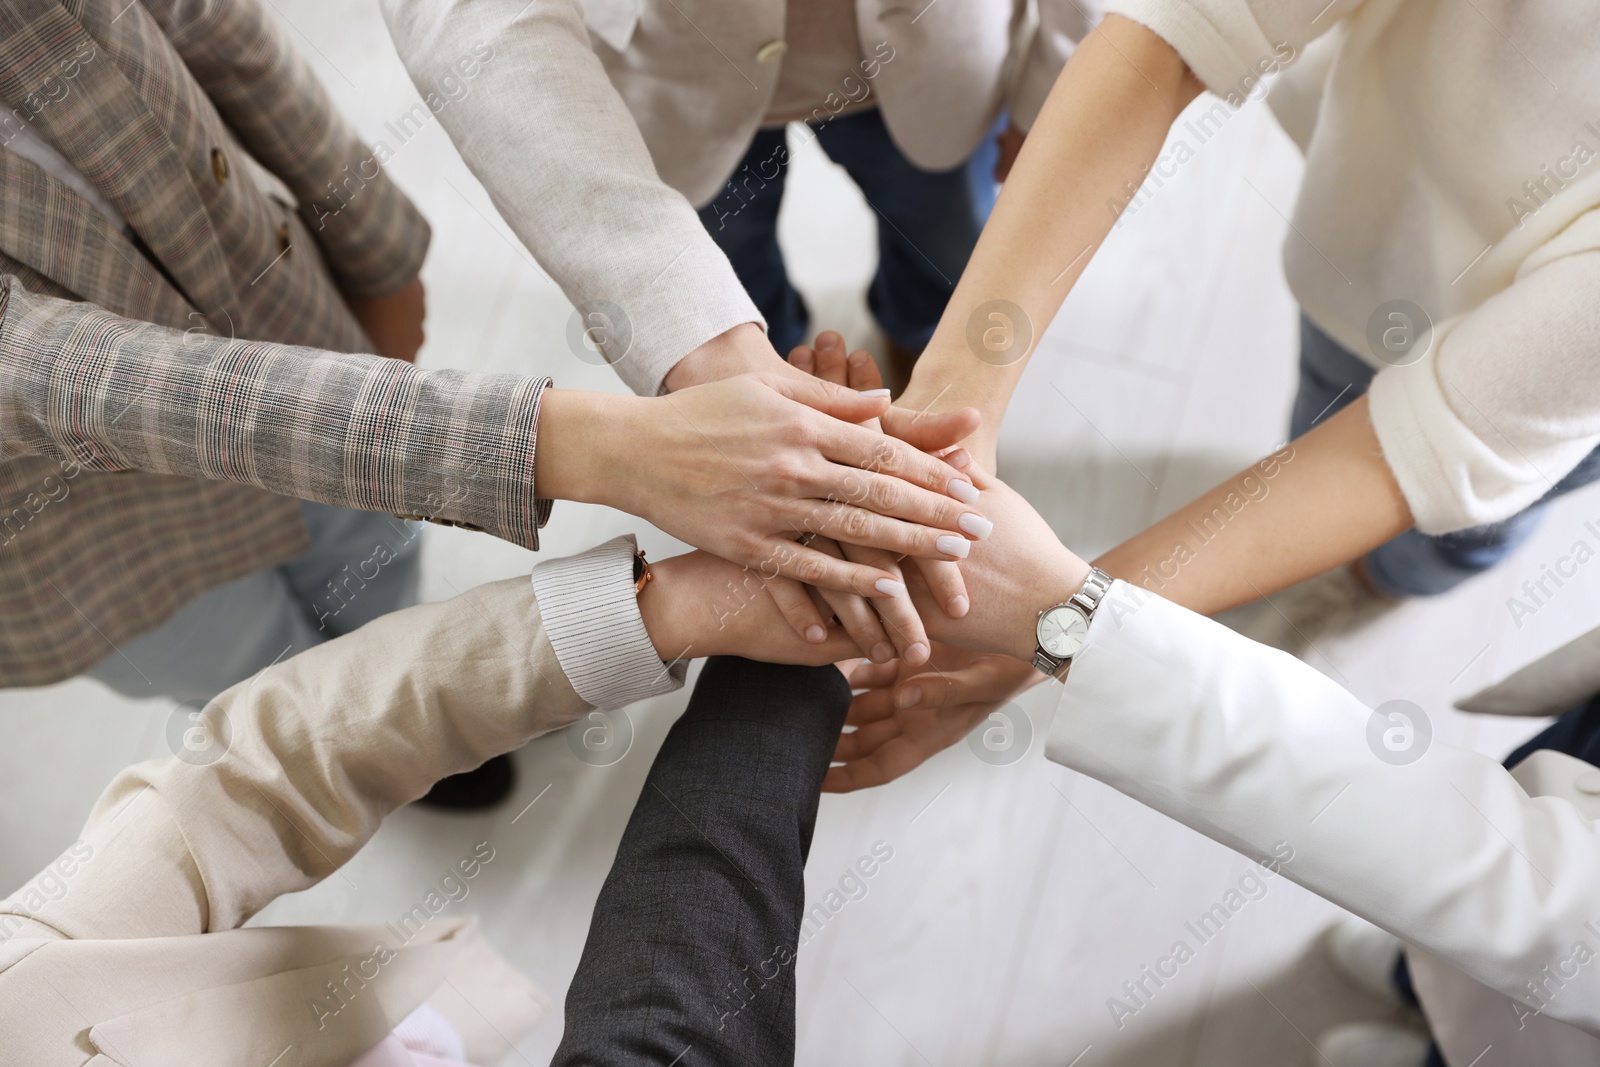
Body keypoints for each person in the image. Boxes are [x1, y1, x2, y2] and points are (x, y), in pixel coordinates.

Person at [0, 0, 988, 806]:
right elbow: (74, 375)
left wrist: (379, 247)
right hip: (81, 548)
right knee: (254, 668)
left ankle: (438, 693)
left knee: (374, 564)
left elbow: (209, 25)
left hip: (298, 326)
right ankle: (401, 746)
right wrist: (608, 450)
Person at [0, 529, 864, 1063]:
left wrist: (656, 611)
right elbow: (671, 1029)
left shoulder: (23, 1003)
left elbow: (254, 772)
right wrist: (798, 660)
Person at [379, 0, 1086, 393]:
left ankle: (916, 336)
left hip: (937, 55)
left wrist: (1055, 88)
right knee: (731, 271)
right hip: (670, 72)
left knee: (944, 248)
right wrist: (711, 357)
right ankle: (778, 367)